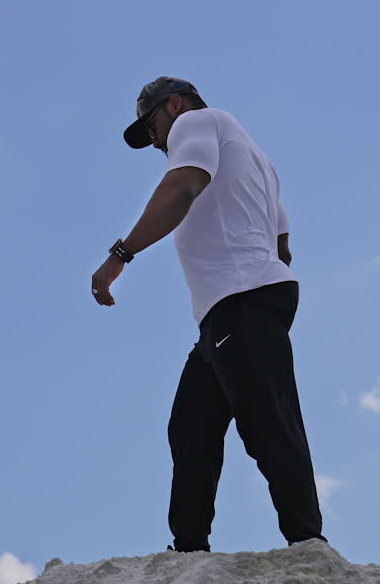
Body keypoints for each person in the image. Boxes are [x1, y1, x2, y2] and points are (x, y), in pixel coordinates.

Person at [91, 76, 327, 553]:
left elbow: (182, 188)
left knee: (267, 423)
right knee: (191, 424)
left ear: (173, 105)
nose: (157, 141)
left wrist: (121, 254)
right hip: (236, 306)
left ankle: (308, 545)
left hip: (240, 301)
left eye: (153, 127)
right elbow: (282, 247)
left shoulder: (198, 122)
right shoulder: (258, 161)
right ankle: (188, 550)